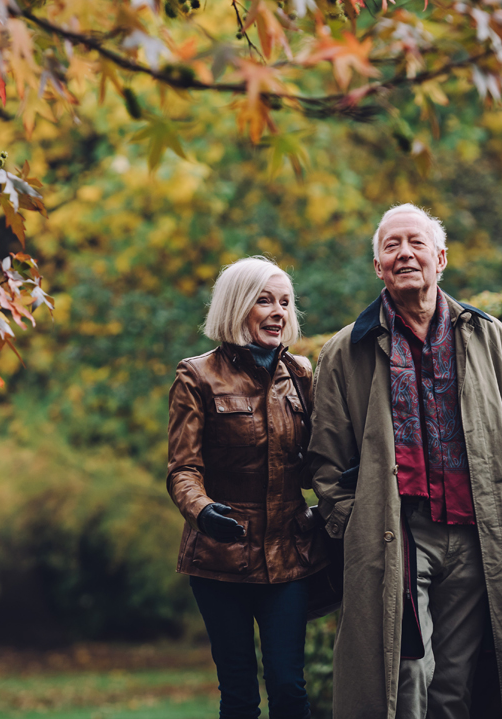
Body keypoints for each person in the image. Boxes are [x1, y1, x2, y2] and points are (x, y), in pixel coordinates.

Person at [307, 205, 502, 719]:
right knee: (405, 675)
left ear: (440, 257)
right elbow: (325, 459)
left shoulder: (487, 334)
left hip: (481, 532)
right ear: (378, 267)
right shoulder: (347, 349)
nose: (405, 253)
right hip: (398, 533)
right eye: (391, 246)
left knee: (456, 682)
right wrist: (353, 524)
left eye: (416, 243)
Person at [167, 256, 327, 719]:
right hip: (220, 558)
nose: (278, 311)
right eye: (264, 300)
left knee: (289, 688)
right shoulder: (196, 376)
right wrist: (202, 511)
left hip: (288, 556)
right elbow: (182, 469)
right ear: (237, 306)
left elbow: (312, 464)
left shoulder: (300, 373)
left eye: (284, 301)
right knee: (238, 695)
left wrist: (349, 478)